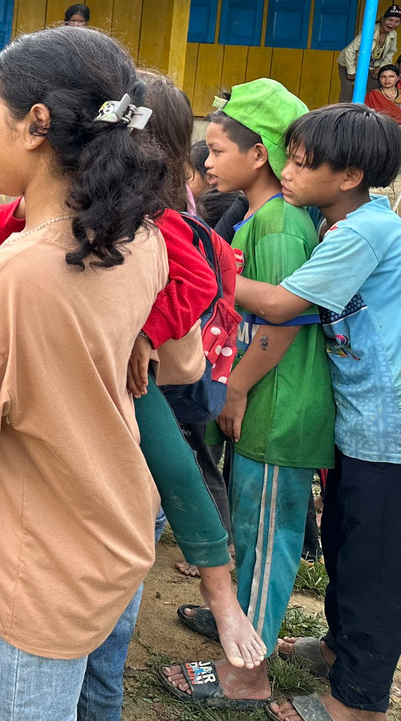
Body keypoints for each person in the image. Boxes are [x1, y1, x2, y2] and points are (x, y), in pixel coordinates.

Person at [0, 26, 168, 719]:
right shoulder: (139, 236)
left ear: (35, 126)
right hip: (116, 526)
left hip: (43, 567)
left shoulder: (13, 278)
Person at [224, 105, 401, 721]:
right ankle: (336, 647)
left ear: (349, 174)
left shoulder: (360, 234)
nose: (287, 170)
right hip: (362, 423)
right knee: (349, 542)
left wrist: (203, 271)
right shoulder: (336, 224)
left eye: (302, 162)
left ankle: (360, 701)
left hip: (388, 428)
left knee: (375, 566)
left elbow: (277, 304)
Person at [164, 79, 334, 709]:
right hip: (262, 397)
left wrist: (233, 391)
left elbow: (285, 321)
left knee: (267, 541)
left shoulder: (282, 223)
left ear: (257, 153)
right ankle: (243, 632)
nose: (206, 162)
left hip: (277, 403)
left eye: (216, 148)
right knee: (254, 529)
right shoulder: (259, 217)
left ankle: (246, 674)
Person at [336, 4, 400, 102]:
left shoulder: (393, 34)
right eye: (390, 20)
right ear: (383, 19)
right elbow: (350, 51)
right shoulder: (369, 30)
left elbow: (391, 52)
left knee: (376, 92)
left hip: (372, 67)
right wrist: (351, 72)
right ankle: (344, 116)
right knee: (349, 92)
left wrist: (381, 67)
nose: (392, 24)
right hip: (350, 64)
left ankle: (370, 115)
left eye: (397, 22)